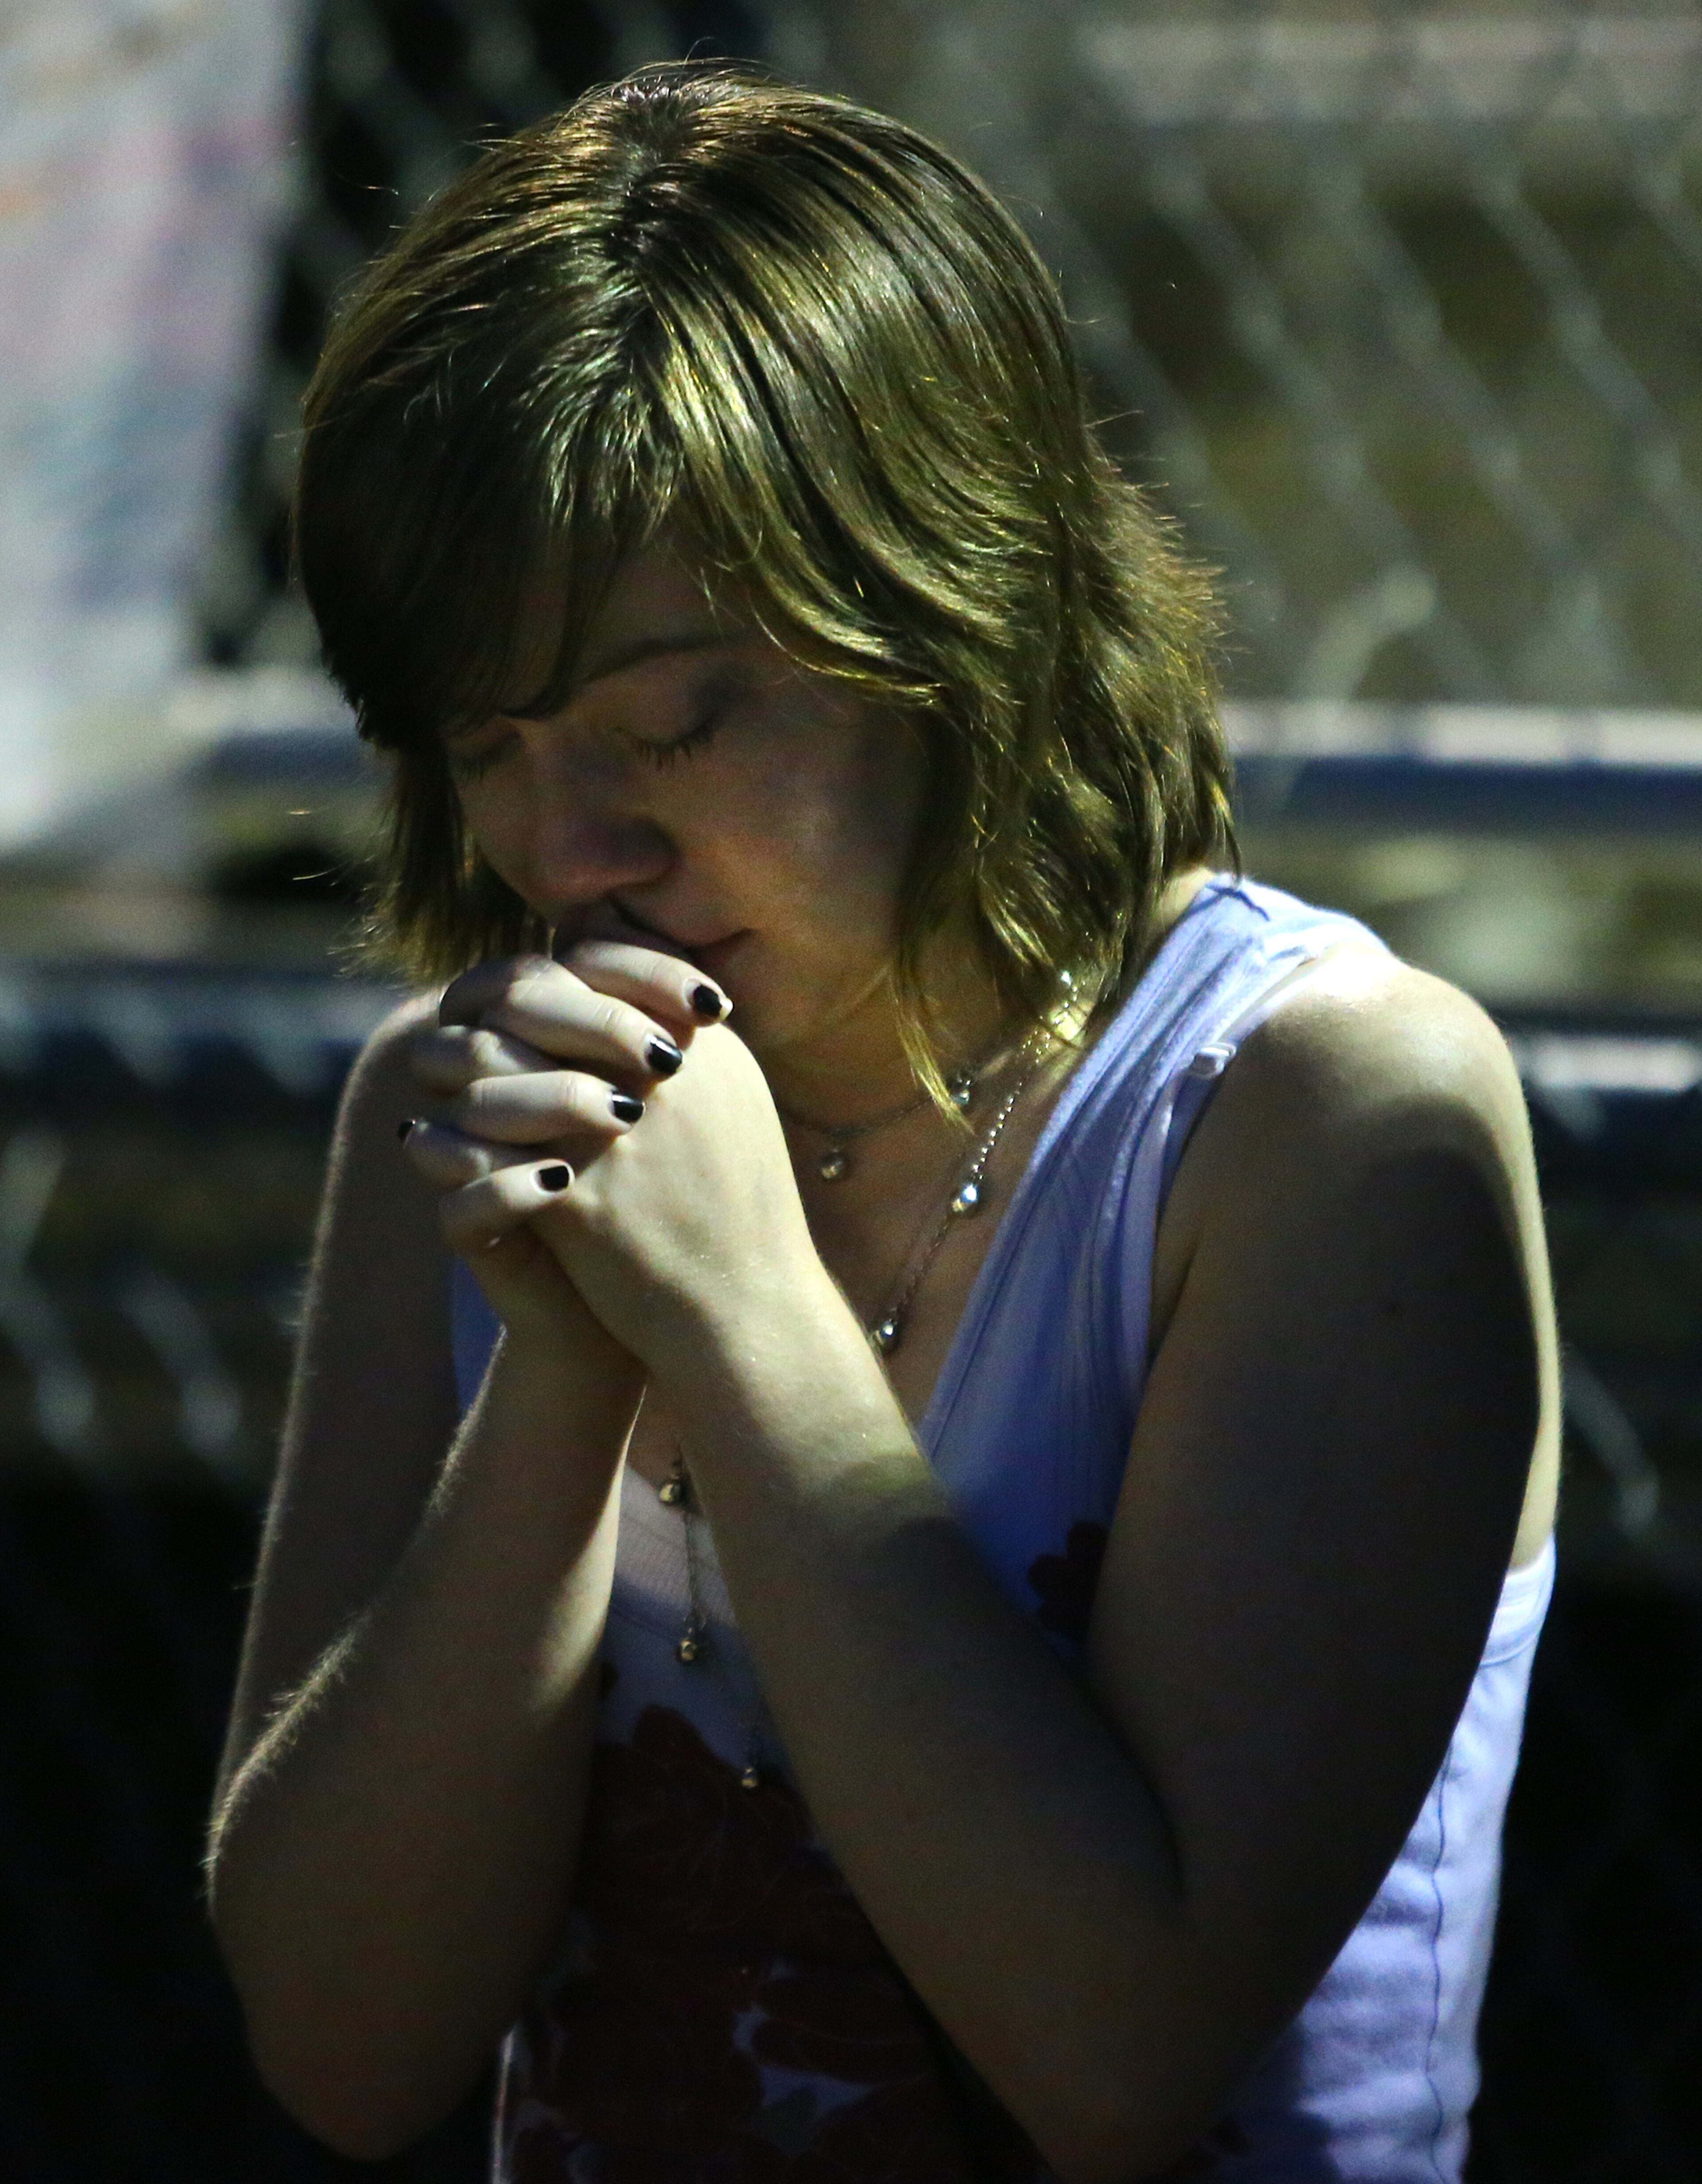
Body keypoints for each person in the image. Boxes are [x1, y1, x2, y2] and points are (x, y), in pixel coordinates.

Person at [205, 62, 1558, 2184]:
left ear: (957, 620)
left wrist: (745, 1320)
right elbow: (340, 2042)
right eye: (492, 742)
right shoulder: (459, 1116)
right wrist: (564, 1370)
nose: (570, 843)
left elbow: (1119, 2053)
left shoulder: (1317, 1122)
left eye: (676, 718)